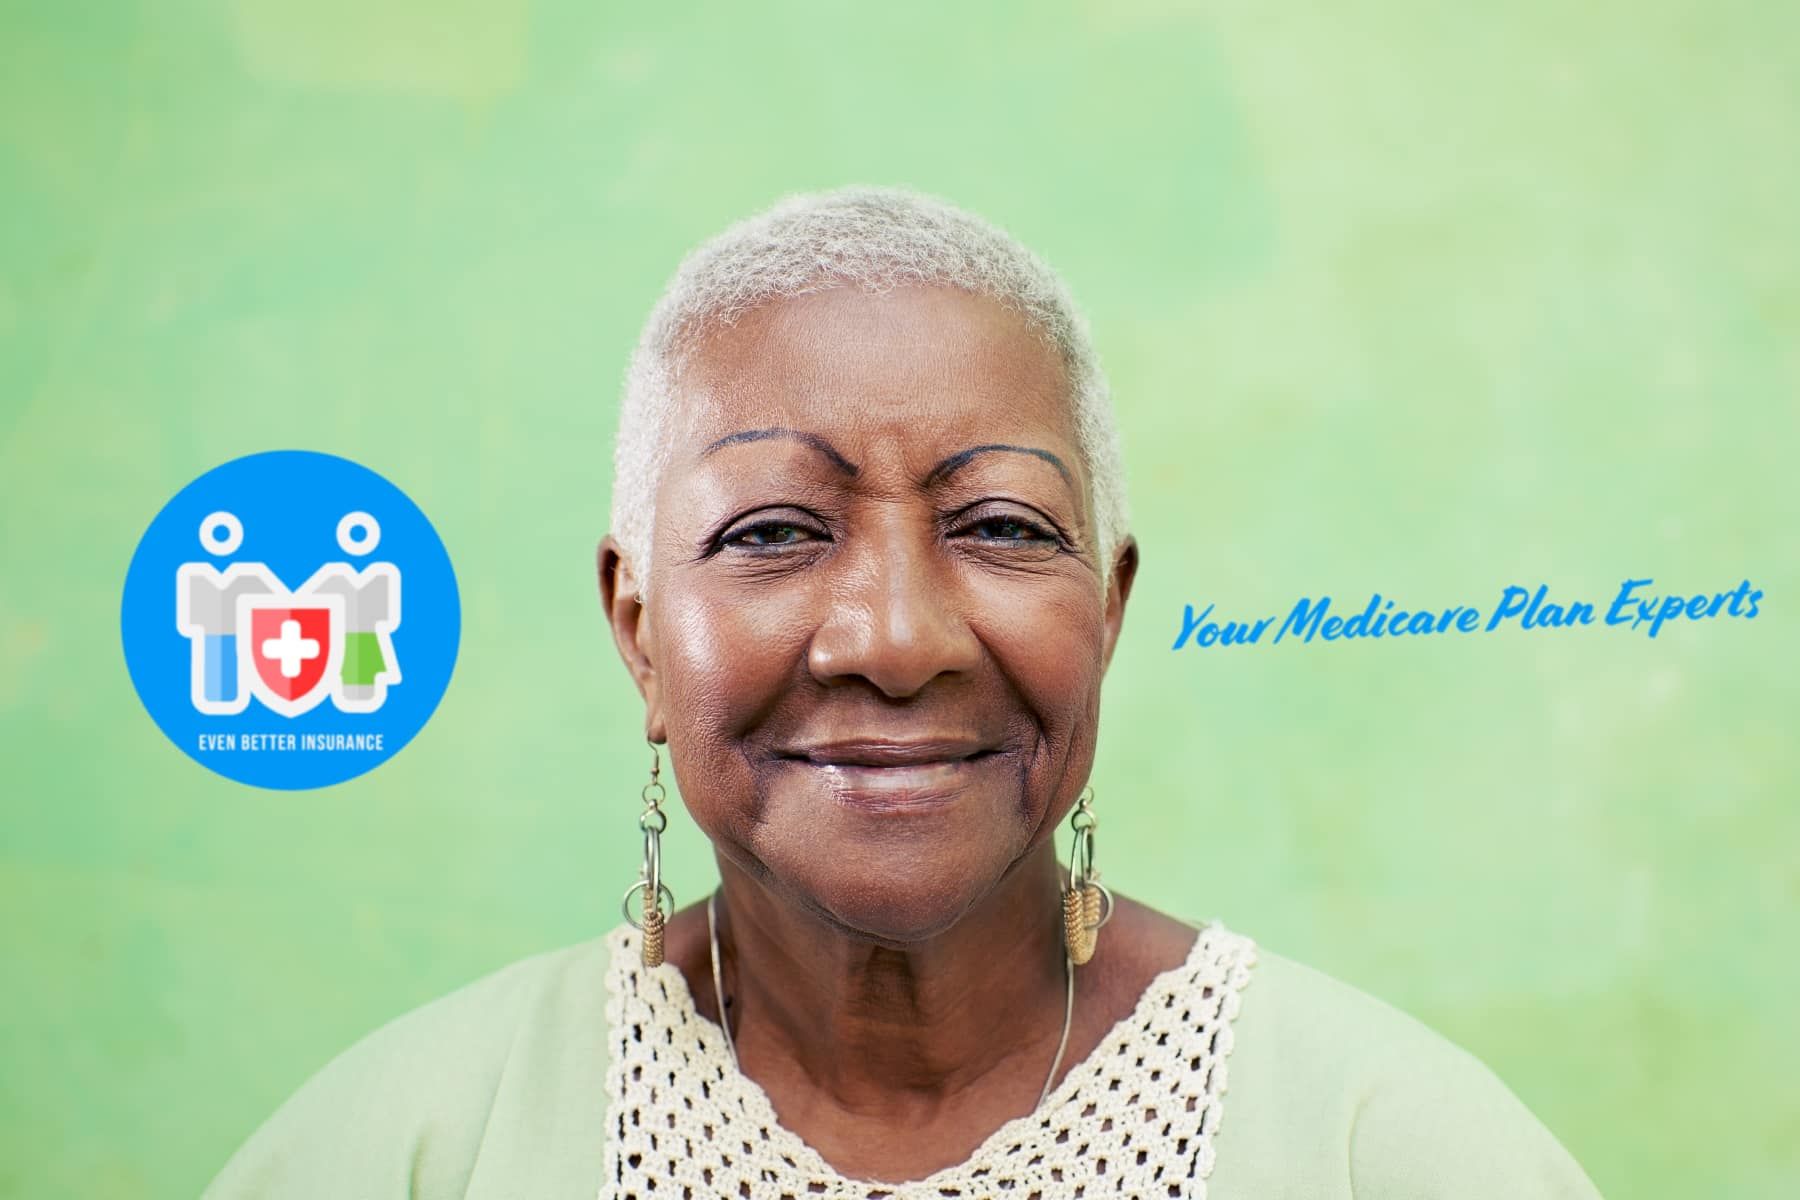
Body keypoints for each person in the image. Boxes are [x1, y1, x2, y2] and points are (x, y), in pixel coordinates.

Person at [202, 186, 1603, 1198]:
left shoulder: (1388, 1147)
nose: (894, 636)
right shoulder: (408, 1149)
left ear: (1105, 613)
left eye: (1000, 526)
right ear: (639, 630)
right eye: (774, 532)